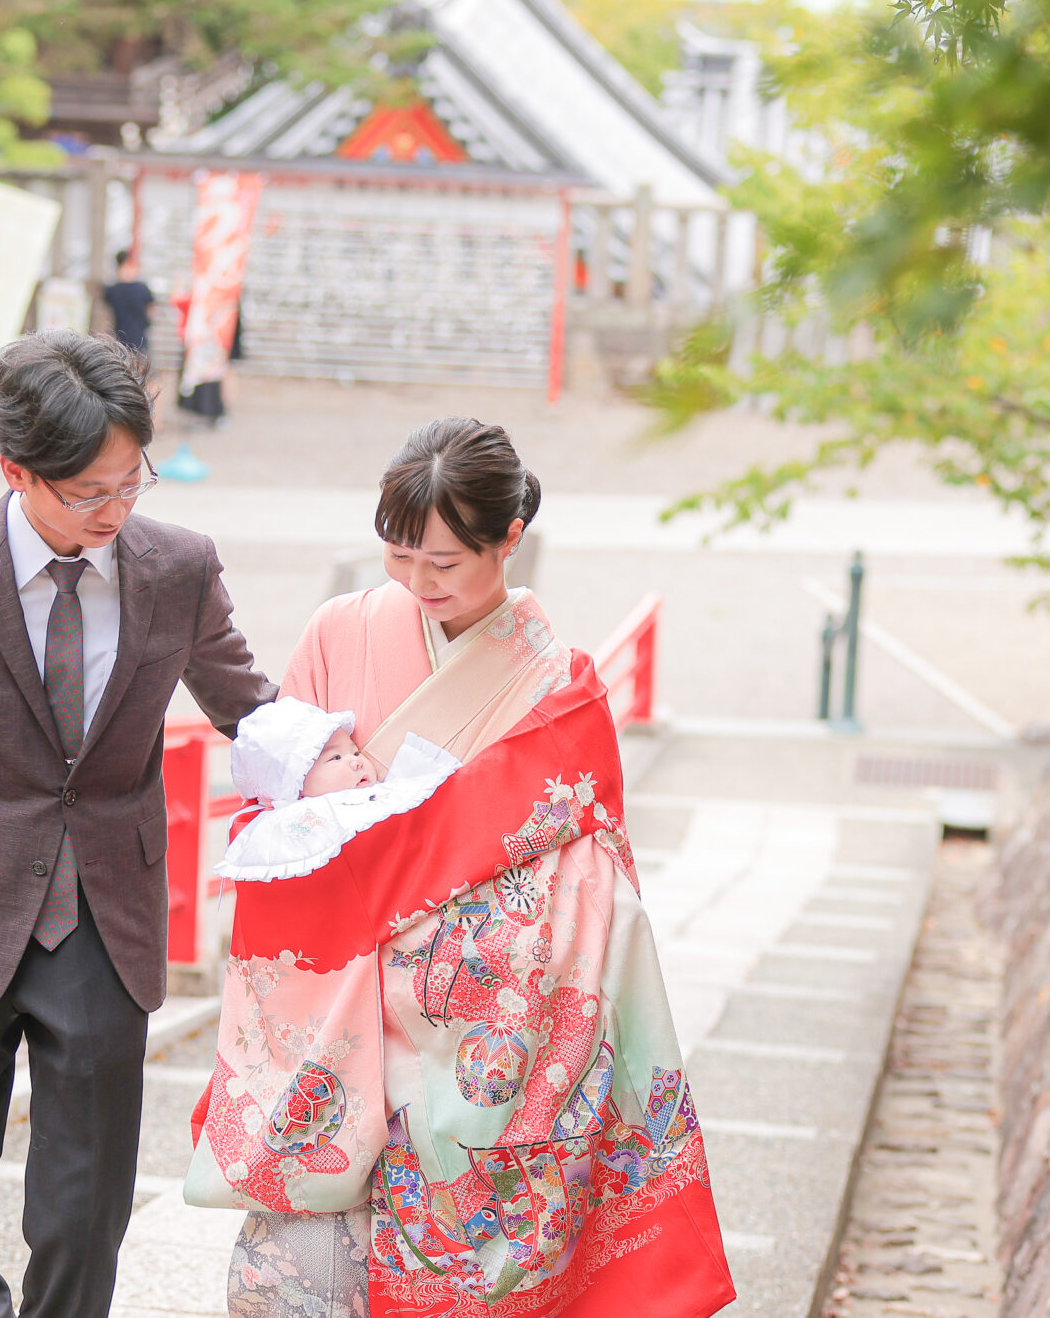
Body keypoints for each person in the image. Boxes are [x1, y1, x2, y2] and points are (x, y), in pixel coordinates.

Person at [182, 418, 735, 1318]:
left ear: (509, 539)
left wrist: (458, 950)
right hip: (335, 1015)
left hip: (482, 1030)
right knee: (288, 1289)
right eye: (401, 557)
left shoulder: (558, 687)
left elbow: (586, 889)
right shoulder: (340, 631)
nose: (417, 582)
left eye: (445, 562)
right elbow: (275, 807)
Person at [0, 330, 277, 1318]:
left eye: (131, 482)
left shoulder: (177, 567)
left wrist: (342, 762)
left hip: (106, 918)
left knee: (82, 1211)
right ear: (15, 470)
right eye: (88, 493)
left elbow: (254, 710)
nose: (115, 511)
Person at [213, 696, 458, 883]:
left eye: (355, 751)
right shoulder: (300, 820)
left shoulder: (372, 796)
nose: (356, 761)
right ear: (295, 785)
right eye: (335, 758)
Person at [101, 250, 157, 356]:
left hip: (117, 341)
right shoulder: (142, 288)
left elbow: (106, 318)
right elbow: (151, 312)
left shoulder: (111, 290)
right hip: (139, 341)